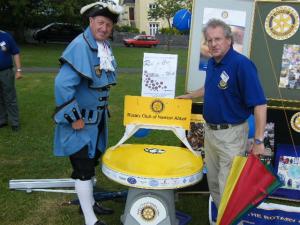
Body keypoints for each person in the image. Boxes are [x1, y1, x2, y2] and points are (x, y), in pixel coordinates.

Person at [178, 19, 267, 209]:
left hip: (231, 135)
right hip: (210, 133)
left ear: (229, 40)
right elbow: (209, 87)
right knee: (215, 185)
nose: (213, 44)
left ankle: (231, 220)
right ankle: (221, 219)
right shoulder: (212, 63)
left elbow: (260, 104)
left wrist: (259, 141)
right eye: (209, 40)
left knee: (228, 187)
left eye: (217, 39)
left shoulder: (242, 65)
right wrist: (190, 96)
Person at [53, 1, 123, 225]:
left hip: (96, 121)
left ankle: (90, 205)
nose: (104, 28)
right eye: (101, 23)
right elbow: (62, 85)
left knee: (90, 164)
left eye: (109, 25)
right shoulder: (80, 47)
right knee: (83, 169)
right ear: (91, 21)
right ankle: (90, 220)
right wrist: (74, 118)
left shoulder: (101, 46)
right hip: (81, 123)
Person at [0, 30, 22, 132]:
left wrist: (18, 70)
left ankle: (15, 122)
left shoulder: (6, 36)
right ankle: (2, 120)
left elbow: (16, 52)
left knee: (10, 97)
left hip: (6, 72)